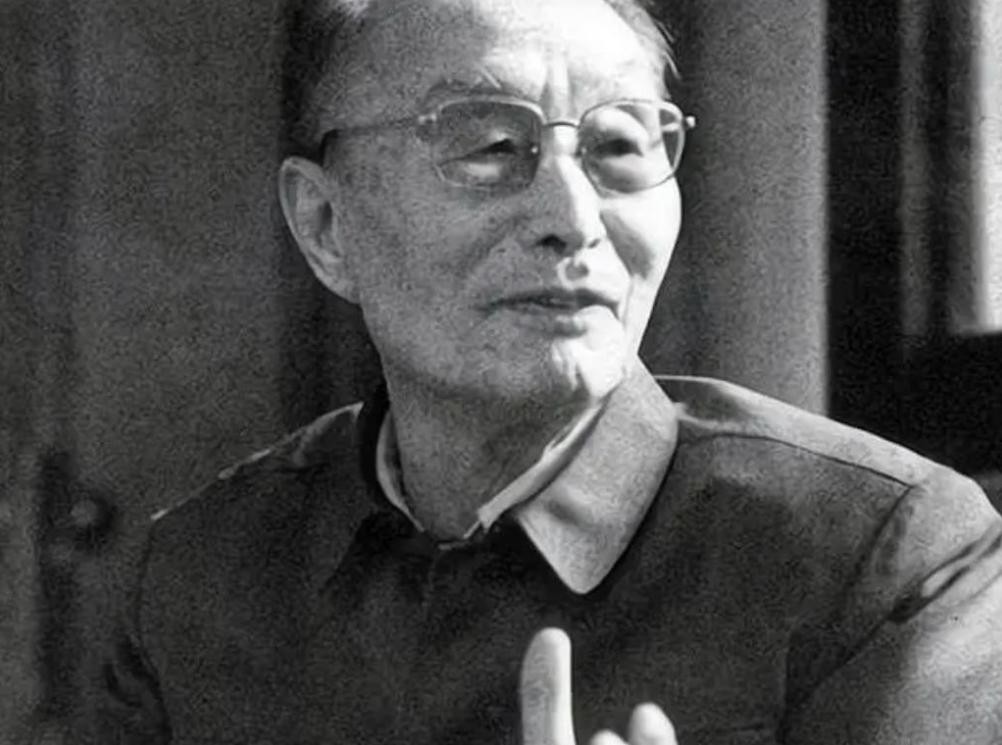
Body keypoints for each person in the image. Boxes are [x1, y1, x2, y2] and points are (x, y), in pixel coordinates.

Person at [93, 0, 1002, 742]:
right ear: (326, 226)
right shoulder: (196, 577)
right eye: (491, 147)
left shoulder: (883, 564)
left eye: (619, 148)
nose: (573, 217)